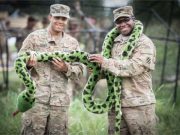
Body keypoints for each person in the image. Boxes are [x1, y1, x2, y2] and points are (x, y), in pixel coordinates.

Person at [89, 6, 157, 135]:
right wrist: (98, 71)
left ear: (133, 19)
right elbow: (111, 69)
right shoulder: (114, 42)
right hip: (115, 105)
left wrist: (105, 62)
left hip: (138, 105)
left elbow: (134, 67)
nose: (122, 24)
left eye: (126, 19)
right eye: (118, 22)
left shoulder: (144, 43)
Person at [19, 4, 83, 135]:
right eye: (57, 17)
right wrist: (29, 65)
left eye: (64, 19)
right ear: (50, 17)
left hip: (60, 103)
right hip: (36, 100)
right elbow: (19, 64)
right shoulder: (34, 38)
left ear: (67, 20)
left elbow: (79, 72)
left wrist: (66, 68)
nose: (60, 21)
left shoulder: (72, 43)